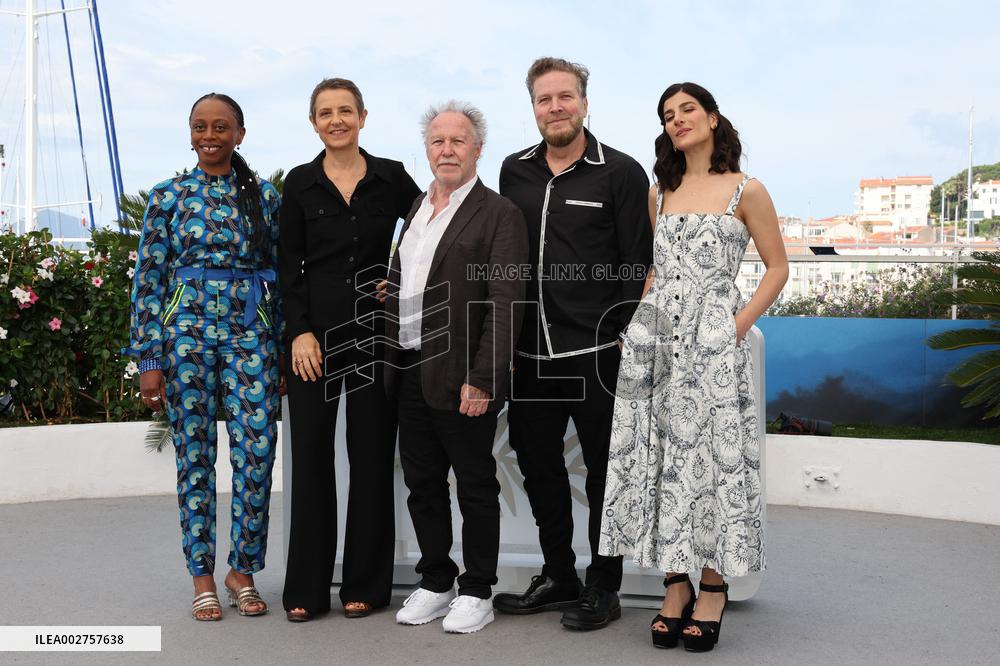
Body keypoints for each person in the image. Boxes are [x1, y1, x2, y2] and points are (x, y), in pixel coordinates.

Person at [598, 82, 788, 652]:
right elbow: (657, 271)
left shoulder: (746, 190)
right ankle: (674, 584)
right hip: (656, 337)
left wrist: (735, 325)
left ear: (711, 117)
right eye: (667, 115)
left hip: (713, 338)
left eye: (687, 110)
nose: (677, 120)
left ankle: (714, 586)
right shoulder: (661, 192)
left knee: (711, 460)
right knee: (659, 457)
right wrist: (636, 325)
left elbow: (778, 269)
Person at [494, 57, 653, 631]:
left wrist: (623, 334)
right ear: (533, 107)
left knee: (606, 474)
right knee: (539, 468)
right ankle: (558, 573)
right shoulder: (514, 171)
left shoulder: (622, 173)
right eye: (544, 99)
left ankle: (603, 586)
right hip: (528, 354)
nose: (555, 107)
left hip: (596, 355)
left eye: (565, 96)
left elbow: (641, 263)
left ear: (585, 103)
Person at [129, 93, 283, 621]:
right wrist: (149, 360)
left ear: (241, 133)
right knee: (194, 458)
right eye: (199, 126)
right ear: (189, 132)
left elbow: (282, 279)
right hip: (185, 340)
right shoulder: (167, 197)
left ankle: (243, 570)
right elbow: (148, 283)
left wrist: (280, 348)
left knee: (256, 456)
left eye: (221, 126)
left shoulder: (264, 197)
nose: (209, 135)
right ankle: (201, 577)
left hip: (250, 337)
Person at [278, 78, 421, 622]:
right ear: (313, 123)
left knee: (369, 460)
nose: (336, 120)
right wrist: (299, 332)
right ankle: (306, 591)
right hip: (313, 340)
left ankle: (366, 584)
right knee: (311, 461)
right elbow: (289, 266)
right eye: (324, 113)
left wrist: (399, 276)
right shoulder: (300, 183)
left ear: (363, 116)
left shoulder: (392, 177)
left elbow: (426, 232)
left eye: (345, 111)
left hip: (376, 338)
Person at [383, 101, 528, 634]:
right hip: (408, 366)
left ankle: (478, 589)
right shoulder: (417, 209)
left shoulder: (499, 213)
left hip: (464, 372)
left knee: (473, 483)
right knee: (421, 483)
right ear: (427, 149)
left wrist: (485, 377)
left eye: (458, 140)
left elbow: (506, 300)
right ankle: (438, 580)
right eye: (438, 141)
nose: (447, 149)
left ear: (477, 150)